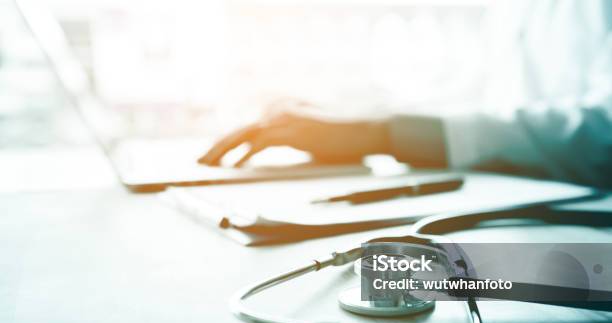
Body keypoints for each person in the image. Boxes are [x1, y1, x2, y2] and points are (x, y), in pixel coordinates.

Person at [199, 0, 612, 188]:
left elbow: (602, 137)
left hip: (591, 254)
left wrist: (383, 133)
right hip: (519, 207)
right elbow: (492, 99)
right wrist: (359, 118)